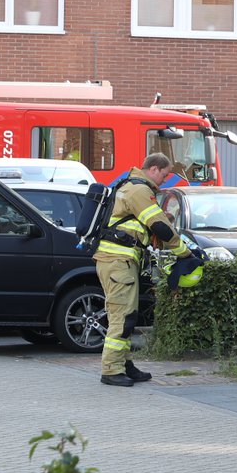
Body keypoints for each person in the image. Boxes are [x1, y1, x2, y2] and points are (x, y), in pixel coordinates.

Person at [93, 152, 181, 387]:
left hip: (118, 262)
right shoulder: (139, 190)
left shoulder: (129, 186)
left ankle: (124, 364)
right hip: (118, 262)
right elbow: (160, 227)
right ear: (153, 168)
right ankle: (111, 370)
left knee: (126, 316)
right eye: (164, 174)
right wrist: (185, 253)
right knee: (123, 316)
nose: (164, 180)